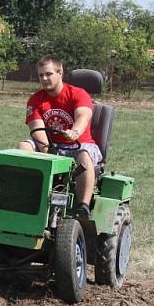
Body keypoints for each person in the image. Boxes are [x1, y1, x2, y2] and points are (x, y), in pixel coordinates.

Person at [18, 55, 102, 217]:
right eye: (41, 75)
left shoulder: (78, 94)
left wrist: (74, 132)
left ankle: (83, 206)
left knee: (84, 155)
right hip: (51, 147)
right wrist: (47, 152)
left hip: (79, 146)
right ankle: (26, 197)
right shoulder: (35, 100)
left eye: (48, 74)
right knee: (23, 146)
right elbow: (37, 129)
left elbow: (83, 116)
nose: (44, 78)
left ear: (60, 73)